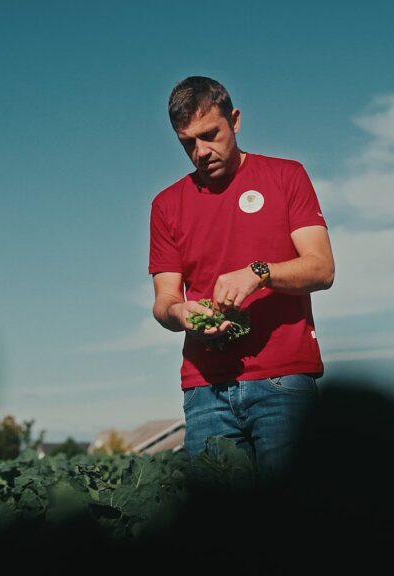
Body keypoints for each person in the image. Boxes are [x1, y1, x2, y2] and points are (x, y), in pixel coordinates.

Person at [148, 76, 335, 485]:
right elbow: (164, 301)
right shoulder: (165, 205)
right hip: (205, 391)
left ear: (234, 120)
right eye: (187, 143)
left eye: (209, 135)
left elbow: (321, 268)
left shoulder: (287, 176)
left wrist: (259, 273)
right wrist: (182, 312)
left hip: (284, 381)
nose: (200, 152)